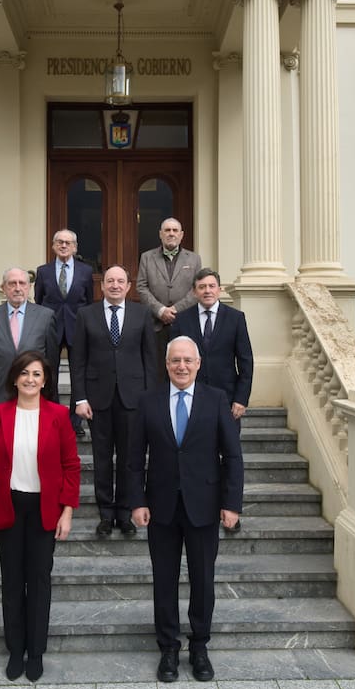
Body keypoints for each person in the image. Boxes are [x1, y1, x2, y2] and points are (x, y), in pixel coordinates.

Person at [129, 336, 244, 683]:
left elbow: (232, 455)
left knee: (203, 580)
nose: (181, 366)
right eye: (175, 360)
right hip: (160, 507)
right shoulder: (148, 401)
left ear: (198, 364)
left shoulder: (216, 399)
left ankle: (199, 645)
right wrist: (137, 500)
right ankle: (168, 647)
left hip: (204, 506)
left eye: (187, 360)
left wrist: (231, 504)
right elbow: (134, 459)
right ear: (166, 365)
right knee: (164, 580)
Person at [0, 350, 80, 682]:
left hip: (44, 509)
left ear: (45, 381)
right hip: (7, 506)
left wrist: (67, 512)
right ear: (15, 379)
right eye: (24, 373)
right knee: (12, 581)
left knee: (40, 580)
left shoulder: (58, 415)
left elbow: (71, 466)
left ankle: (36, 651)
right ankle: (15, 649)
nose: (30, 379)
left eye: (36, 374)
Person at [72, 264, 156, 539]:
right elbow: (78, 360)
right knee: (102, 459)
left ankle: (125, 512)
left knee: (131, 459)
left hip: (134, 400)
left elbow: (150, 360)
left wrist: (150, 399)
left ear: (129, 286)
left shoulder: (142, 314)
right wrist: (80, 398)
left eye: (121, 281)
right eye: (110, 281)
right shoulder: (86, 315)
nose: (115, 285)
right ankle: (106, 514)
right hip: (98, 399)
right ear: (102, 285)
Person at [171, 267, 253, 425]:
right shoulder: (182, 320)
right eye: (202, 287)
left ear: (219, 290)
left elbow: (246, 361)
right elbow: (173, 360)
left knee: (228, 441)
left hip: (227, 399)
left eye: (211, 286)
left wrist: (241, 398)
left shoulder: (236, 318)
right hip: (190, 398)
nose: (207, 291)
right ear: (194, 292)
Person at [34, 229, 94, 437]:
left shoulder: (86, 271)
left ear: (75, 247)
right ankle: (54, 418)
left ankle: (75, 421)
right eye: (59, 242)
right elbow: (39, 301)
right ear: (53, 246)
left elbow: (88, 301)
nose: (64, 245)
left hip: (78, 328)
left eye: (68, 243)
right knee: (50, 374)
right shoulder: (43, 271)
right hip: (51, 328)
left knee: (79, 373)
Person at [0, 267, 59, 414]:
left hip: (33, 395)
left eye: (22, 283)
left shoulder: (46, 317)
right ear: (3, 288)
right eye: (12, 283)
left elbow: (51, 359)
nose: (17, 288)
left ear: (29, 287)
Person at [136, 217, 202, 378]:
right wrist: (160, 310)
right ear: (160, 234)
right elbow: (141, 287)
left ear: (181, 235)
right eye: (167, 230)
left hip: (184, 323)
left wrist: (175, 310)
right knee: (157, 371)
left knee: (182, 369)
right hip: (155, 324)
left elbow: (196, 289)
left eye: (175, 230)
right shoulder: (147, 257)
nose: (171, 233)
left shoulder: (194, 259)